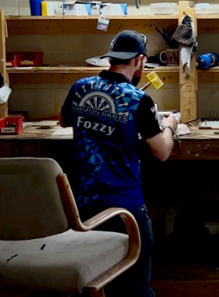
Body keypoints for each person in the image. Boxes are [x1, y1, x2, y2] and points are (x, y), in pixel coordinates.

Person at [59, 30, 179, 297]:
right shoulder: (137, 99)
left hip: (83, 206)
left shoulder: (81, 87)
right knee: (136, 286)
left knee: (95, 281)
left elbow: (64, 120)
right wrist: (170, 125)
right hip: (125, 207)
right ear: (139, 60)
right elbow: (161, 153)